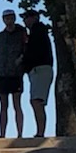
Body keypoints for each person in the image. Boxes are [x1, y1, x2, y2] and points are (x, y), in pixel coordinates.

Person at [0, 9, 27, 138]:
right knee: (3, 106)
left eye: (11, 18)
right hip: (2, 74)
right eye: (6, 18)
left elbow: (26, 49)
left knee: (17, 104)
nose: (9, 20)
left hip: (16, 74)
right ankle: (2, 134)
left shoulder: (21, 33)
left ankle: (19, 133)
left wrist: (20, 62)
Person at [22, 9, 54, 138]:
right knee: (36, 101)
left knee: (37, 101)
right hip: (38, 69)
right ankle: (40, 131)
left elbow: (33, 52)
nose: (24, 21)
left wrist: (23, 60)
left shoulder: (37, 31)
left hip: (40, 69)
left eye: (26, 17)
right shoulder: (37, 32)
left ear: (34, 17)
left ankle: (40, 132)